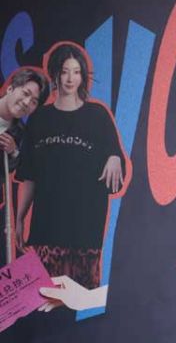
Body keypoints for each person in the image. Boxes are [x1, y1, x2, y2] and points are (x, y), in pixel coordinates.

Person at [16, 42, 127, 290]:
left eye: (76, 72)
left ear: (82, 76)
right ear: (55, 73)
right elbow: (28, 176)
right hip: (46, 229)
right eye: (65, 71)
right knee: (42, 299)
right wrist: (19, 219)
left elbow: (117, 169)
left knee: (80, 303)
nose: (70, 78)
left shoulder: (97, 116)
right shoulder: (39, 119)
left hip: (85, 233)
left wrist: (114, 156)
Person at [0, 67, 48, 266]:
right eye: (26, 93)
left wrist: (13, 152)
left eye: (34, 101)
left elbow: (14, 169)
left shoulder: (21, 133)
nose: (27, 102)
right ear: (11, 88)